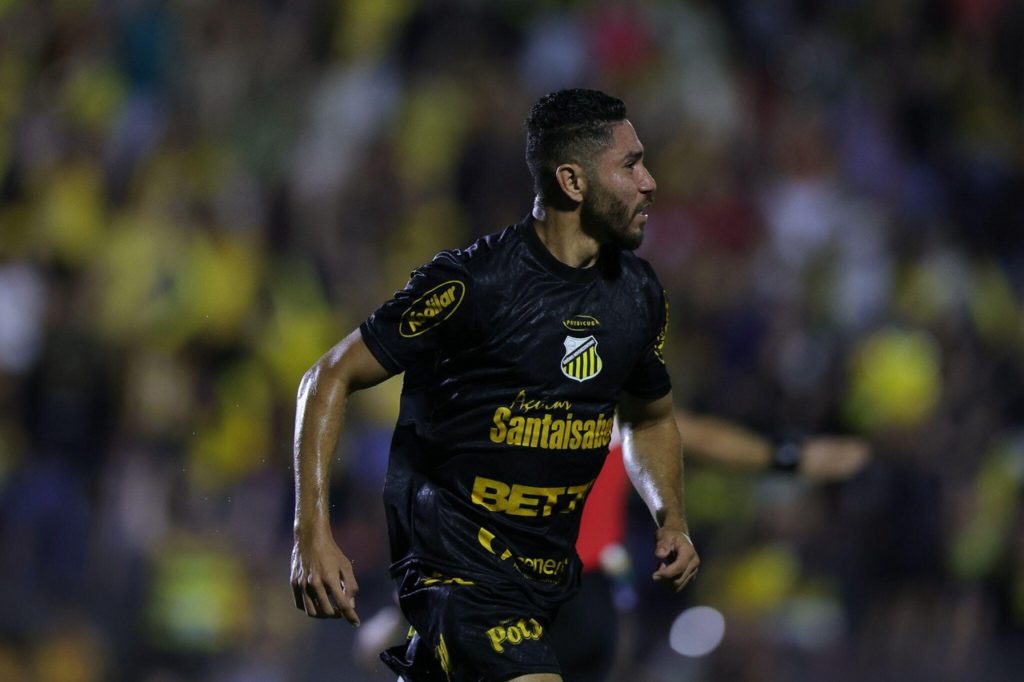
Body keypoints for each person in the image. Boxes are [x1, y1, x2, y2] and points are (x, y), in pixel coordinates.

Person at [290, 88, 699, 682]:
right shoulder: (473, 285)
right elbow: (327, 377)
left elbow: (650, 417)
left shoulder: (637, 294)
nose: (650, 182)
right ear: (573, 182)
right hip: (457, 574)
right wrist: (312, 534)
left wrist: (671, 517)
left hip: (555, 586)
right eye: (630, 165)